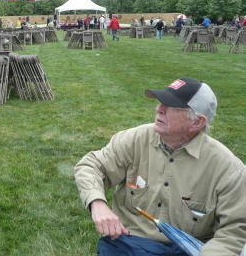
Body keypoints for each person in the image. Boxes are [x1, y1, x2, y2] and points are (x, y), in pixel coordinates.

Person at [75, 77, 246, 255]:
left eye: (171, 106)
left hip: (187, 250)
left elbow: (235, 230)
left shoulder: (228, 169)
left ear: (197, 122)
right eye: (160, 102)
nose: (159, 109)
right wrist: (97, 203)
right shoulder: (135, 139)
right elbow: (91, 165)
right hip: (130, 243)